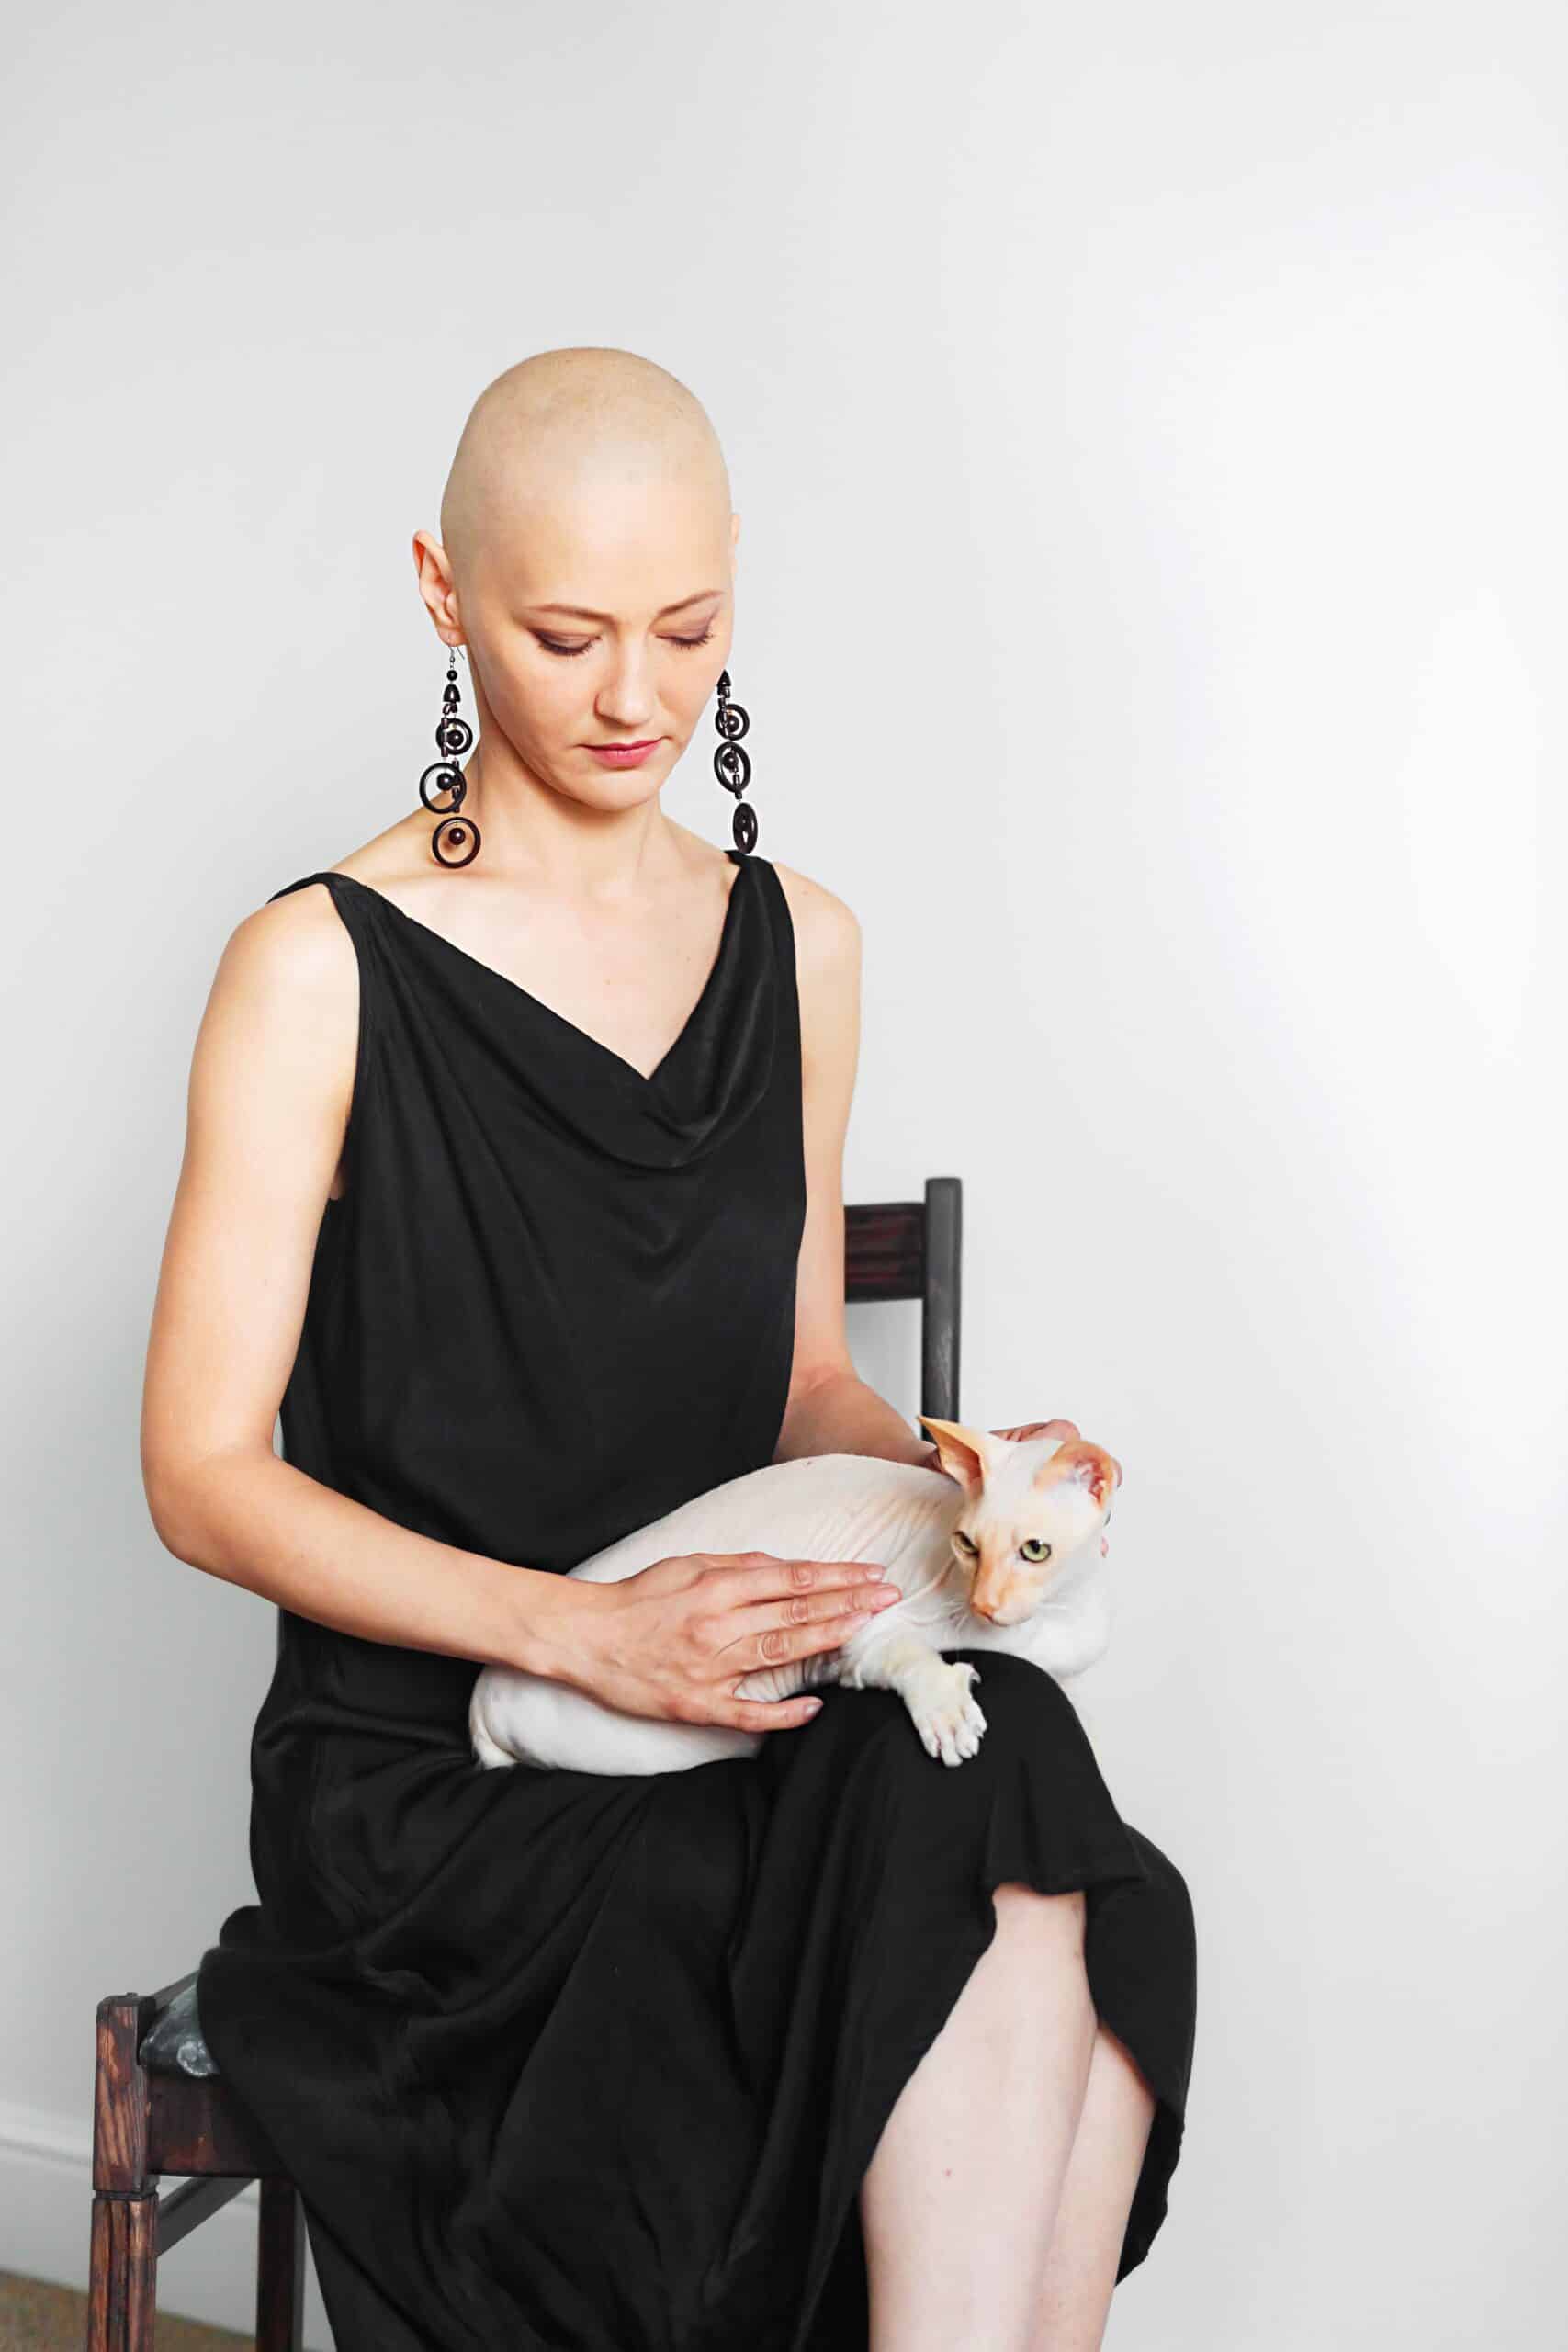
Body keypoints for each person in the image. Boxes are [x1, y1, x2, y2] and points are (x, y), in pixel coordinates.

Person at [140, 346, 1196, 2352]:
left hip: (750, 1703)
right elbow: (198, 1473)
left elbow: (798, 1386)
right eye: (568, 636)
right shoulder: (314, 970)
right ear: (445, 595)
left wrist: (956, 1490)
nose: (638, 695)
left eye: (689, 629)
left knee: (1018, 1780)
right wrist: (578, 1635)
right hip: (445, 1771)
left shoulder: (804, 946)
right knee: (984, 1848)